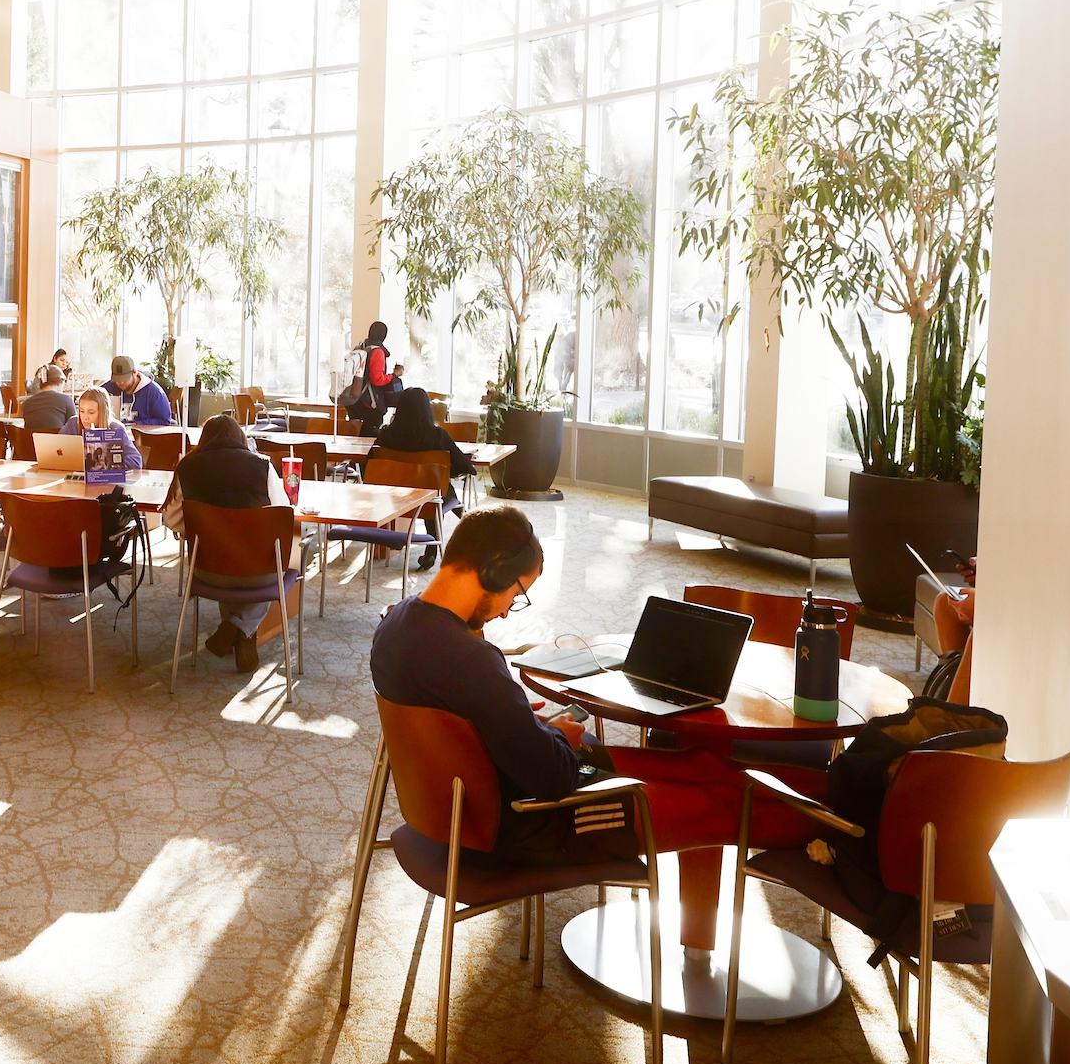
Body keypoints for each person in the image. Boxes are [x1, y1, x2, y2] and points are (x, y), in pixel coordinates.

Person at [370, 505, 828, 867]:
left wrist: (529, 728)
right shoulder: (471, 659)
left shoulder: (396, 626)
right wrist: (555, 736)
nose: (509, 610)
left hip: (487, 793)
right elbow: (553, 777)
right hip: (531, 822)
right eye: (517, 593)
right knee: (722, 804)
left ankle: (835, 791)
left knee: (698, 763)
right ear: (493, 571)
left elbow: (462, 722)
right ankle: (843, 826)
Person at [162, 414, 299, 672]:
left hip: (207, 569)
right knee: (288, 555)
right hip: (257, 572)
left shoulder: (187, 466)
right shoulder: (262, 464)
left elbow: (171, 518)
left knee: (224, 554)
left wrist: (203, 531)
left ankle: (235, 629)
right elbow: (281, 515)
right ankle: (240, 628)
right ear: (241, 438)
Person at [371, 386, 476, 570]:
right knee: (435, 488)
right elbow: (466, 468)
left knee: (431, 488)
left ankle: (471, 524)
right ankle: (464, 531)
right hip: (428, 503)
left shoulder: (386, 435)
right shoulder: (437, 435)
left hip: (391, 501)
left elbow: (369, 464)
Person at [59, 386, 143, 469]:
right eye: (81, 411)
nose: (85, 417)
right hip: (75, 476)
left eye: (91, 412)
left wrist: (109, 462)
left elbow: (136, 461)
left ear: (102, 412)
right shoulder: (73, 423)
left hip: (105, 479)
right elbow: (56, 451)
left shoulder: (115, 428)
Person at [345, 322, 396, 435]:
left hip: (354, 399)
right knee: (369, 438)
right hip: (369, 402)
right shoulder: (377, 351)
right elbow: (377, 380)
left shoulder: (359, 347)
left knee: (355, 435)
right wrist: (393, 376)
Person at [106, 354, 176, 427]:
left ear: (135, 372)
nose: (121, 382)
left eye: (125, 378)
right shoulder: (109, 388)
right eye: (117, 379)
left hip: (143, 436)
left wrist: (139, 424)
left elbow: (164, 421)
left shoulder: (154, 392)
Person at [18, 364, 76, 434]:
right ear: (59, 383)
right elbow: (74, 427)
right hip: (58, 443)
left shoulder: (26, 404)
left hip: (33, 444)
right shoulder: (66, 400)